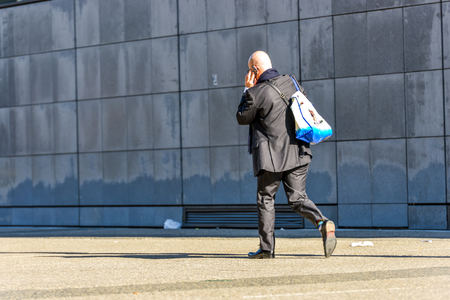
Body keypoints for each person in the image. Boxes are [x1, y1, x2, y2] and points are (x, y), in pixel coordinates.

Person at [236, 51, 337, 259]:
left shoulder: (255, 93)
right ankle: (322, 223)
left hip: (270, 157)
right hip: (298, 152)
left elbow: (242, 117)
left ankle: (267, 249)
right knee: (298, 198)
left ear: (254, 70)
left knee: (265, 199)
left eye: (249, 69)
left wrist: (247, 88)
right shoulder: (292, 81)